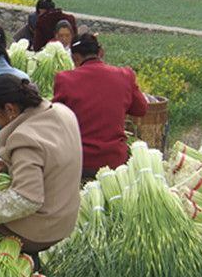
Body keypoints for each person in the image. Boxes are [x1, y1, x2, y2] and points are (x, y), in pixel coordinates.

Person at [0, 75, 81, 253]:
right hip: (65, 220)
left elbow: (27, 200)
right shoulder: (62, 111)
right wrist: (9, 162)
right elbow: (51, 156)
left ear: (10, 109)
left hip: (42, 231)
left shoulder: (24, 137)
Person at [53, 33, 148, 179]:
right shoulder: (124, 75)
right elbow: (141, 109)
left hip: (80, 163)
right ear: (101, 52)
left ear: (74, 57)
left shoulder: (65, 79)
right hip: (115, 162)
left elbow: (55, 119)